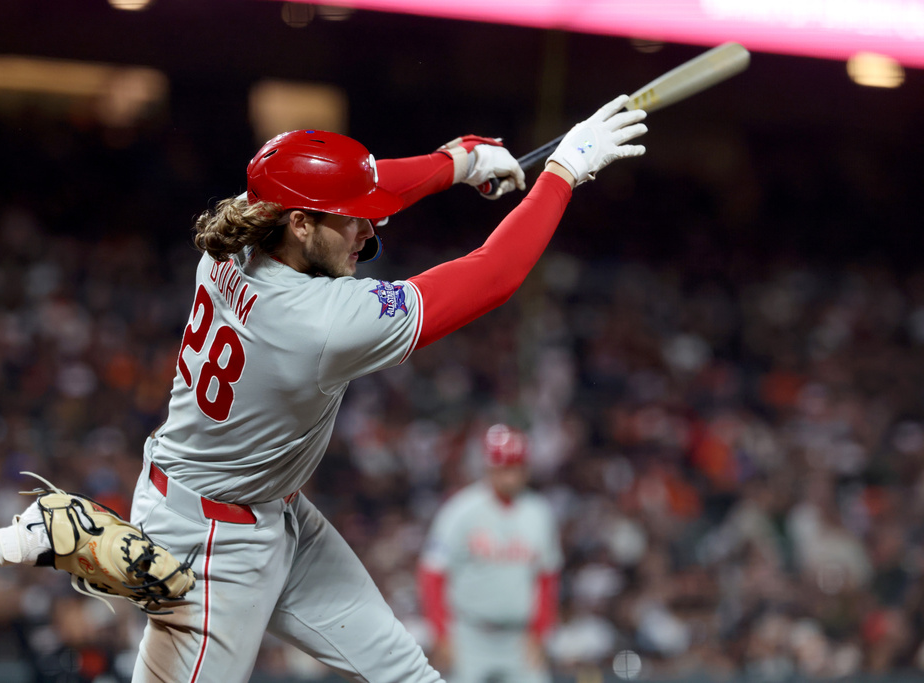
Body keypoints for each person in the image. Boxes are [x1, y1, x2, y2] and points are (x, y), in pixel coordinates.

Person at [128, 94, 646, 683]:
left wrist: (460, 163)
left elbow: (359, 185)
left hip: (263, 505)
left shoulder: (247, 225)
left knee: (410, 676)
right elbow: (494, 274)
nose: (368, 227)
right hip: (207, 542)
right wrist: (564, 173)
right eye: (351, 218)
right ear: (299, 224)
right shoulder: (320, 320)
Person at [418, 424, 562, 683]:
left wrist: (540, 634)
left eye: (516, 467)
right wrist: (441, 633)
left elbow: (547, 578)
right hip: (469, 635)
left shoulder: (539, 513)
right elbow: (432, 574)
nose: (511, 476)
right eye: (504, 467)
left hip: (520, 638)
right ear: (489, 467)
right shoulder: (460, 511)